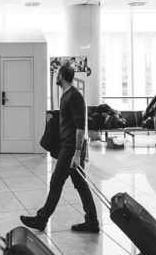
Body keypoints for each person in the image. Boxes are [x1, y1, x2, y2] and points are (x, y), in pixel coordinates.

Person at [20, 64, 99, 233]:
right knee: (80, 184)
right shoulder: (66, 95)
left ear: (61, 76)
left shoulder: (74, 96)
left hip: (71, 148)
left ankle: (41, 219)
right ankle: (92, 221)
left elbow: (80, 126)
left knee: (56, 182)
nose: (56, 76)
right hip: (68, 145)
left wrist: (77, 153)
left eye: (57, 74)